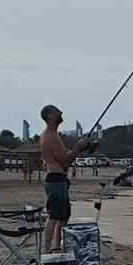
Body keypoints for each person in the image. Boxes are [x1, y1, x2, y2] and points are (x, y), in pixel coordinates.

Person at [39, 104, 90, 254]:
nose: (60, 112)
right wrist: (78, 146)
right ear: (50, 116)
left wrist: (81, 148)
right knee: (54, 215)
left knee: (64, 215)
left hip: (59, 179)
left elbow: (61, 157)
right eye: (56, 111)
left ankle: (56, 246)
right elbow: (66, 161)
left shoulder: (52, 135)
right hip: (55, 180)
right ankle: (46, 251)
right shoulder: (50, 136)